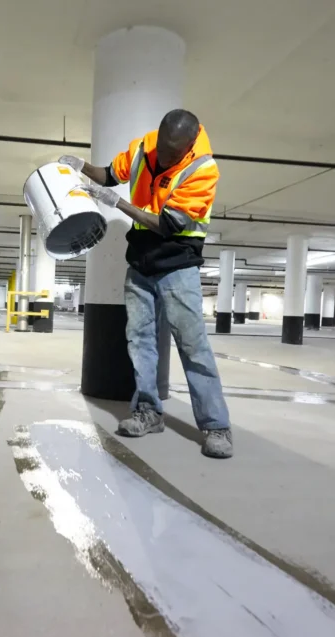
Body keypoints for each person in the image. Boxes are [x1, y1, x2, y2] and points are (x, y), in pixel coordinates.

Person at [59, 109, 234, 459]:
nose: (165, 157)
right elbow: (109, 174)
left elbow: (166, 225)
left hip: (178, 264)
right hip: (139, 261)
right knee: (139, 340)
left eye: (173, 153)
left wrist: (118, 204)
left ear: (188, 145)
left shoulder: (203, 169)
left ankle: (216, 427)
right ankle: (149, 411)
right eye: (163, 149)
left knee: (192, 345)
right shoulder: (145, 147)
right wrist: (80, 165)